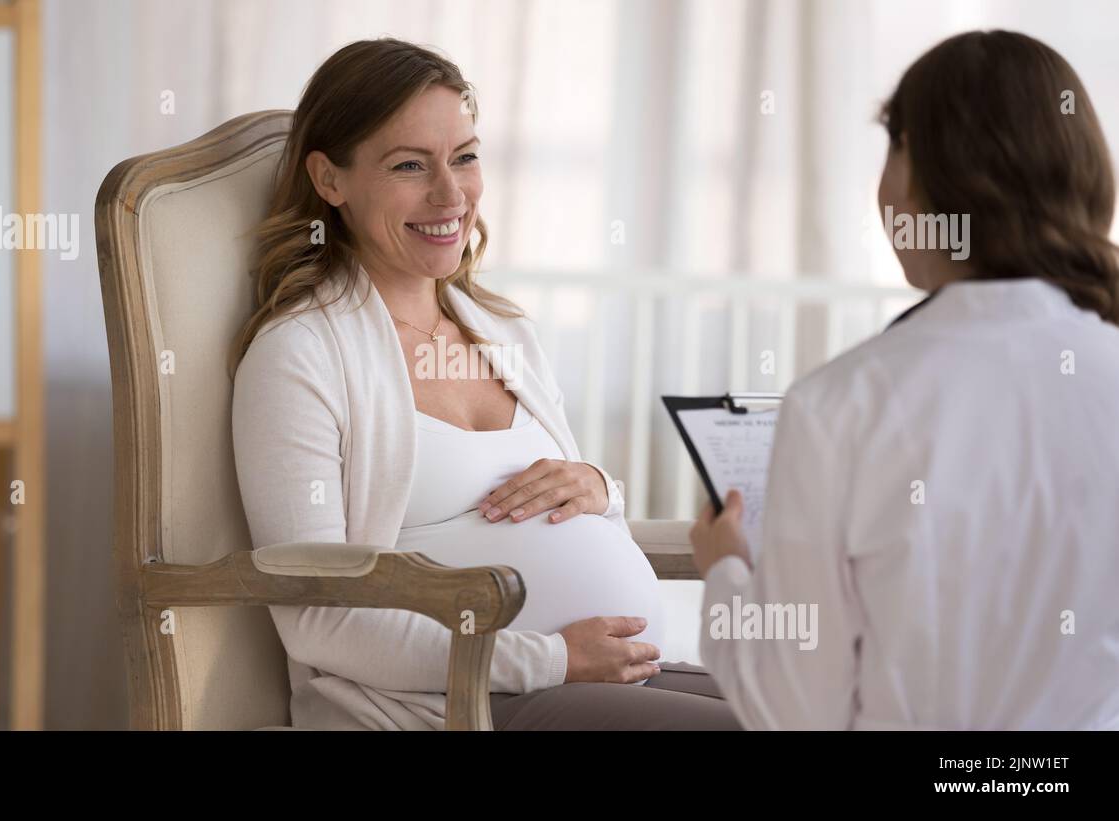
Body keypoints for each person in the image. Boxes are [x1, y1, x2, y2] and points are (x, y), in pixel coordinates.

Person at [230, 38, 738, 730]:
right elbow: (319, 616)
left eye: (465, 157)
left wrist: (599, 488)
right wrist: (550, 658)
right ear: (330, 179)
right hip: (460, 703)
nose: (451, 194)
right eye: (410, 165)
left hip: (612, 671)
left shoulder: (504, 331)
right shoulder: (300, 356)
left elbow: (578, 521)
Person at [689, 30, 1119, 730]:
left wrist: (729, 575)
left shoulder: (840, 405)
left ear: (920, 171)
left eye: (893, 147)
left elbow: (795, 711)